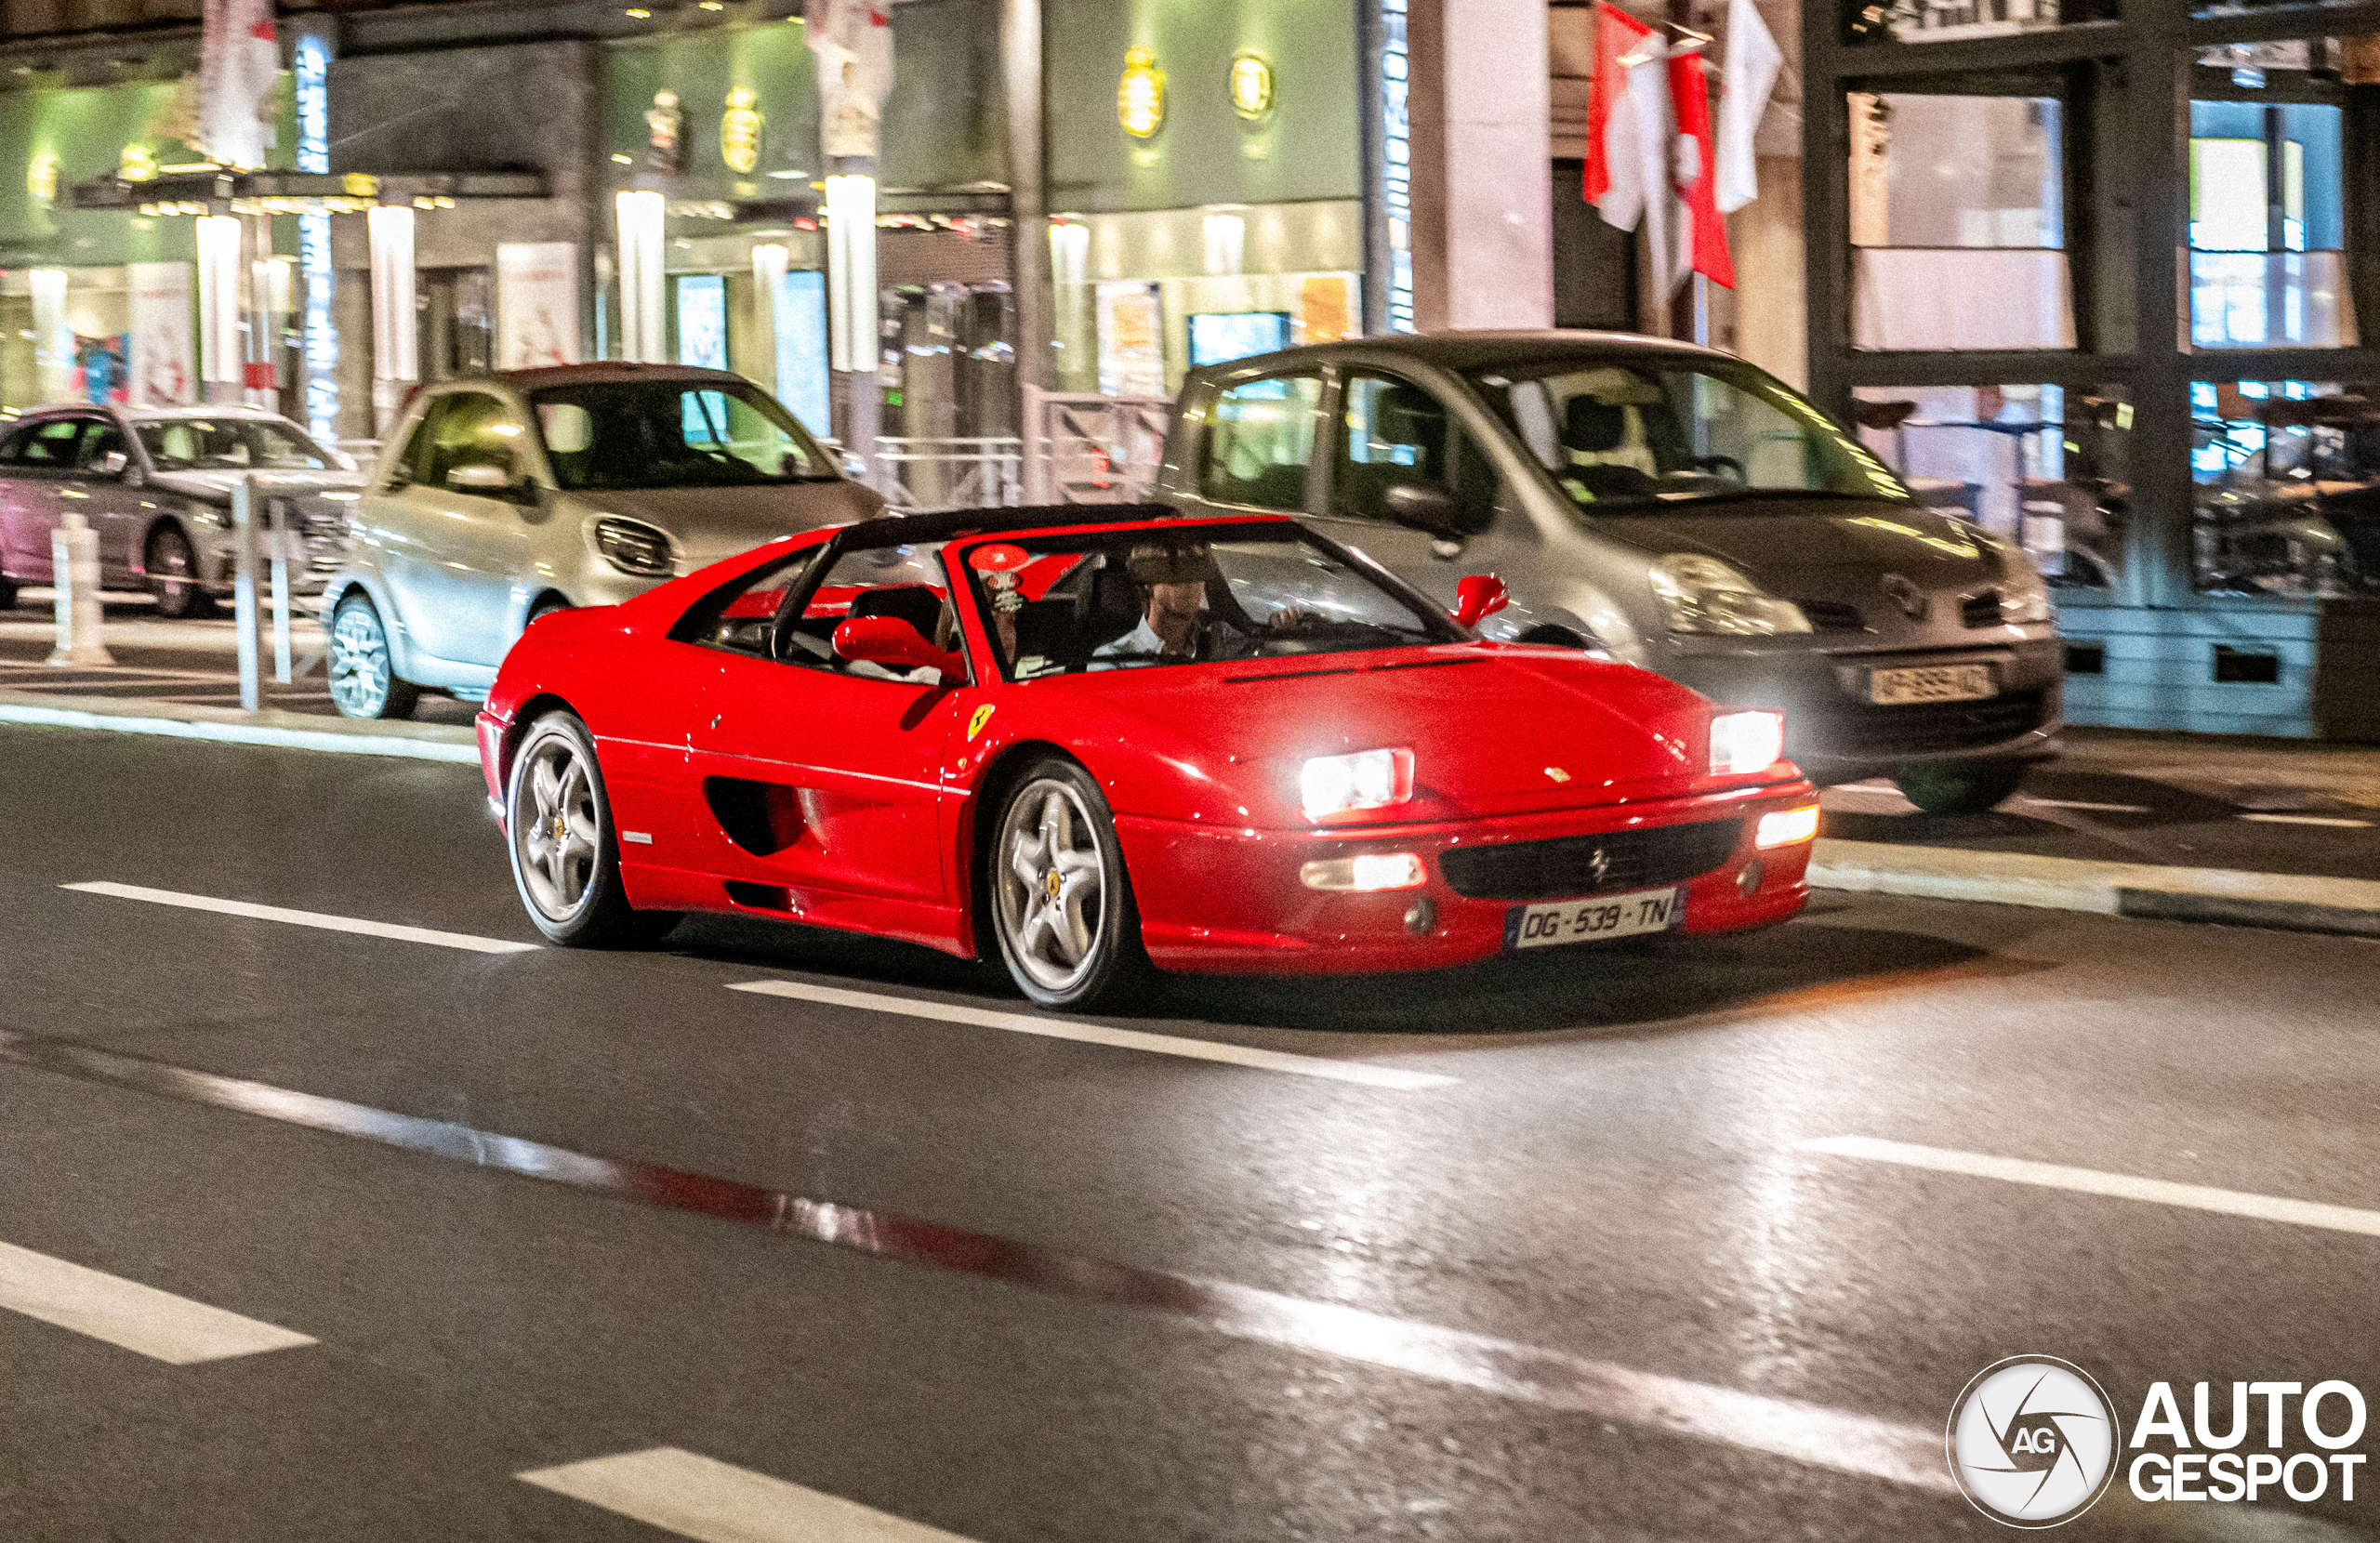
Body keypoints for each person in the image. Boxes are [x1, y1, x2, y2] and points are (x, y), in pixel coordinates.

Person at [1091, 542, 1303, 666]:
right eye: (1175, 569)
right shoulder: (1113, 661)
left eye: (1198, 569)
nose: (1190, 581)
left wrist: (1279, 635)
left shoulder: (1223, 638)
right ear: (1148, 582)